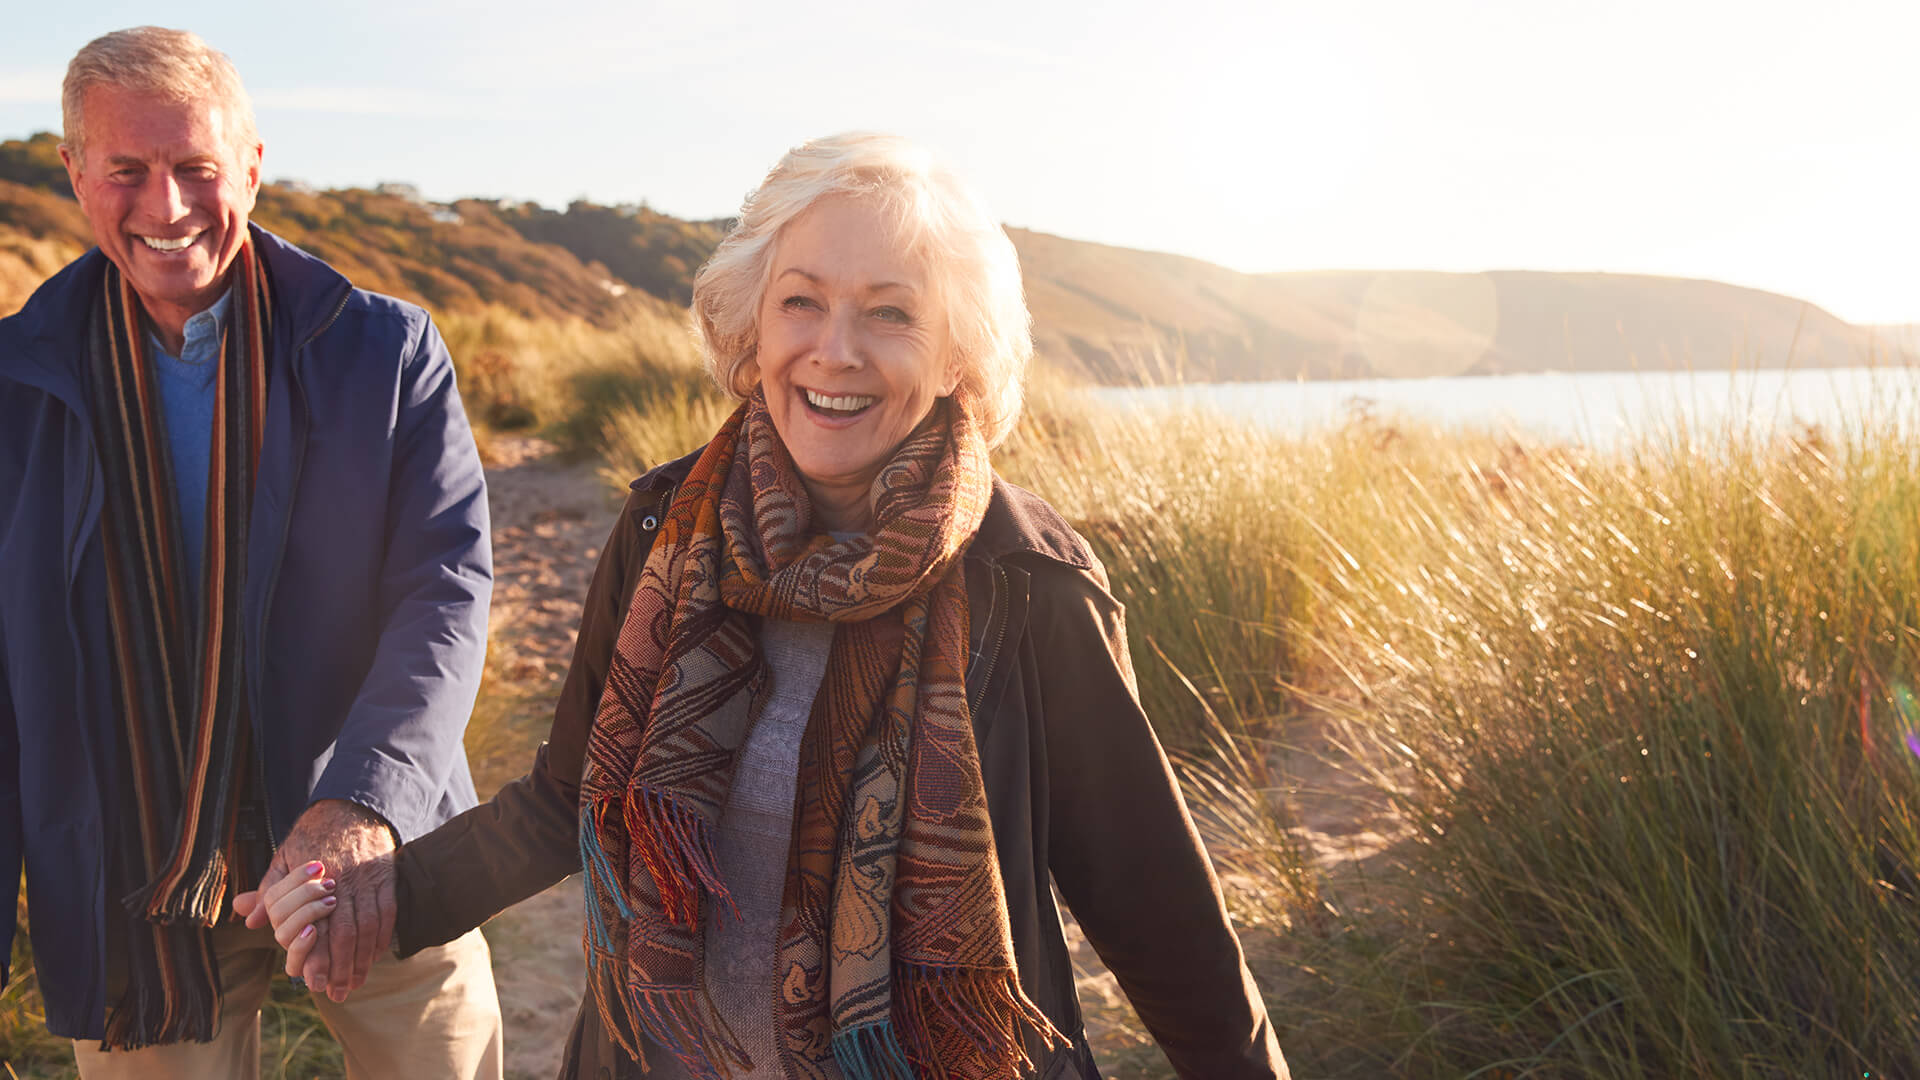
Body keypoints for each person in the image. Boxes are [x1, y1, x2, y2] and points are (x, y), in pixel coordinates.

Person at [245, 133, 1288, 1079]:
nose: (836, 349)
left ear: (957, 354)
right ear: (752, 324)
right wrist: (381, 899)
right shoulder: (664, 530)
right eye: (802, 301)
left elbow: (1157, 910)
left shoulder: (1026, 581)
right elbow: (565, 799)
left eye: (891, 311)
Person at [0, 26, 502, 1079]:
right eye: (126, 171)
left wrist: (363, 809)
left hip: (373, 834)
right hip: (132, 866)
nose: (166, 206)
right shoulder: (13, 382)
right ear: (72, 173)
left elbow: (444, 596)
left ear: (255, 169)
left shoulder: (385, 351)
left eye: (197, 170)